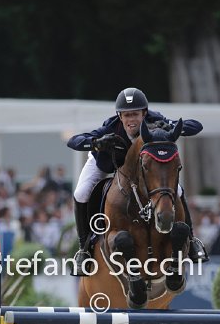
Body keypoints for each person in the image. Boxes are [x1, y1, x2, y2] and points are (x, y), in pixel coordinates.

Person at [67, 87, 208, 275]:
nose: (131, 120)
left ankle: (191, 240)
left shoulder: (155, 121)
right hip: (105, 164)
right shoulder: (111, 127)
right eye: (126, 115)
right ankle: (83, 249)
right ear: (120, 116)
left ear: (144, 113)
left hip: (140, 170)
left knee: (178, 190)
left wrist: (171, 126)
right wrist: (96, 143)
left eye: (135, 114)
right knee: (81, 192)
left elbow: (196, 126)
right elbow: (73, 140)